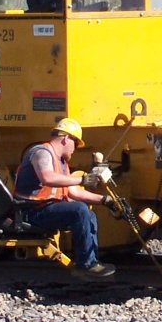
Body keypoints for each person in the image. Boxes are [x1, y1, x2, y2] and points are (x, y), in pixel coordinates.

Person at [13, 118, 116, 280]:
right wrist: (82, 179)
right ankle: (86, 265)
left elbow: (73, 192)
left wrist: (104, 200)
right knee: (79, 210)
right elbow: (47, 177)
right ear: (66, 138)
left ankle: (92, 263)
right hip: (31, 211)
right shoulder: (41, 152)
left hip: (46, 210)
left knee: (89, 215)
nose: (75, 149)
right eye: (76, 143)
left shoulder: (62, 163)